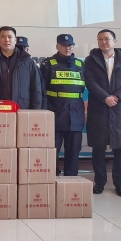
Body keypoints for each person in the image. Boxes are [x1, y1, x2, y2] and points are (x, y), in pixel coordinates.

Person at [83, 29, 121, 197]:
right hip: (99, 108)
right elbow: (90, 81)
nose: (104, 42)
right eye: (100, 39)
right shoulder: (91, 60)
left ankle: (119, 184)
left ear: (115, 41)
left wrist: (117, 97)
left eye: (107, 39)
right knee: (98, 148)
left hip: (120, 110)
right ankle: (99, 182)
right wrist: (105, 97)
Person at [40, 34, 85, 177]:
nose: (67, 48)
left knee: (74, 151)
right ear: (57, 46)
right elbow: (41, 90)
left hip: (75, 114)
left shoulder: (80, 65)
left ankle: (71, 181)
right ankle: (52, 179)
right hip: (55, 113)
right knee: (52, 150)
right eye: (64, 45)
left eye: (70, 45)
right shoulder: (48, 64)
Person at [0, 27, 45, 110]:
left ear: (15, 40)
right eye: (3, 36)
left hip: (22, 109)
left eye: (10, 37)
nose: (6, 40)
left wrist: (35, 111)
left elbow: (35, 88)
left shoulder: (27, 61)